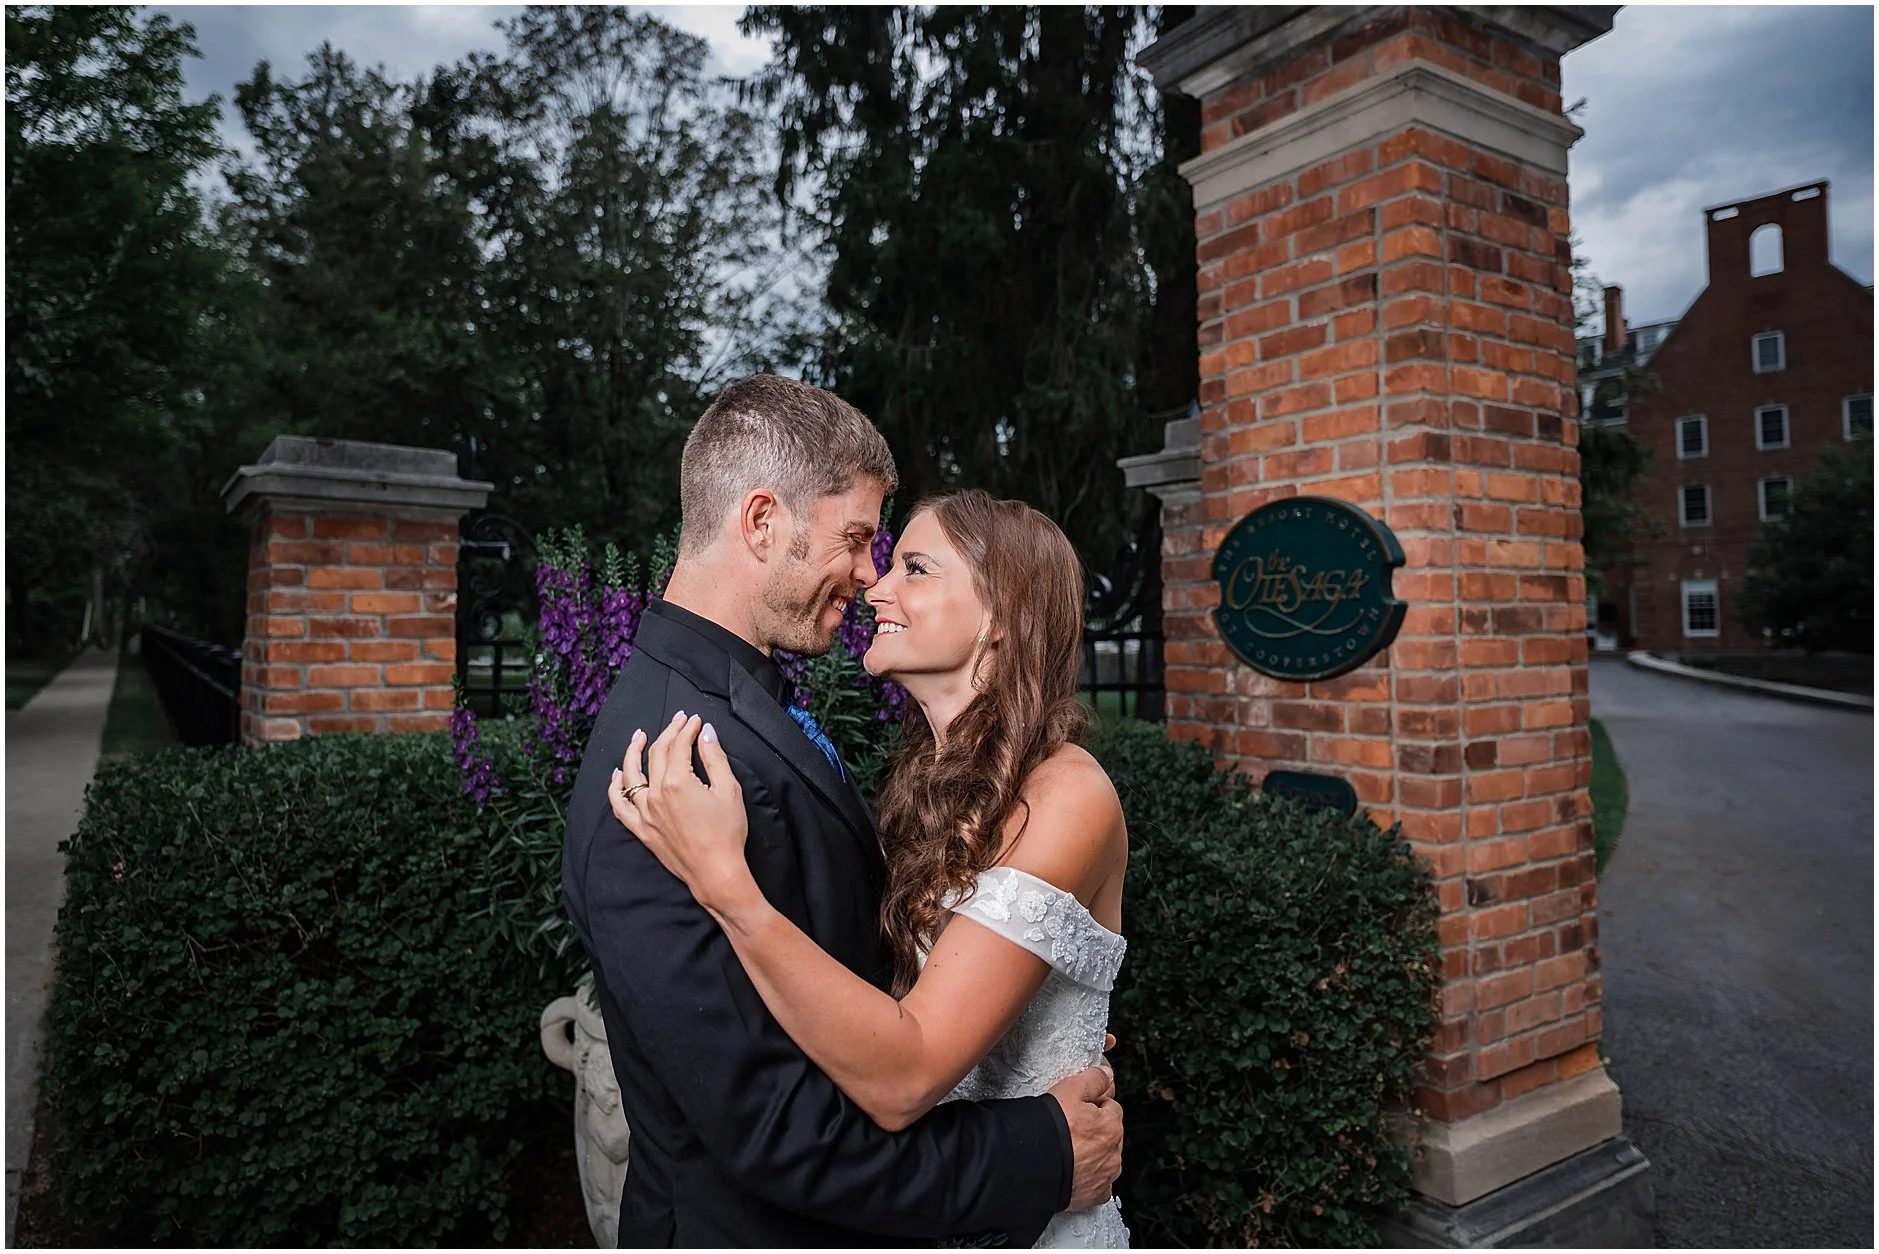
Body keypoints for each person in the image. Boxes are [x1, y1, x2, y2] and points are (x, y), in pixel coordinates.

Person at [560, 375, 1124, 1248]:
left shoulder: (752, 708)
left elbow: (884, 978)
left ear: (1002, 619)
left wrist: (1028, 1004)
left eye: (901, 560)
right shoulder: (666, 765)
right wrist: (1042, 1148)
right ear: (760, 521)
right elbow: (776, 1129)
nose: (869, 580)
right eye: (860, 542)